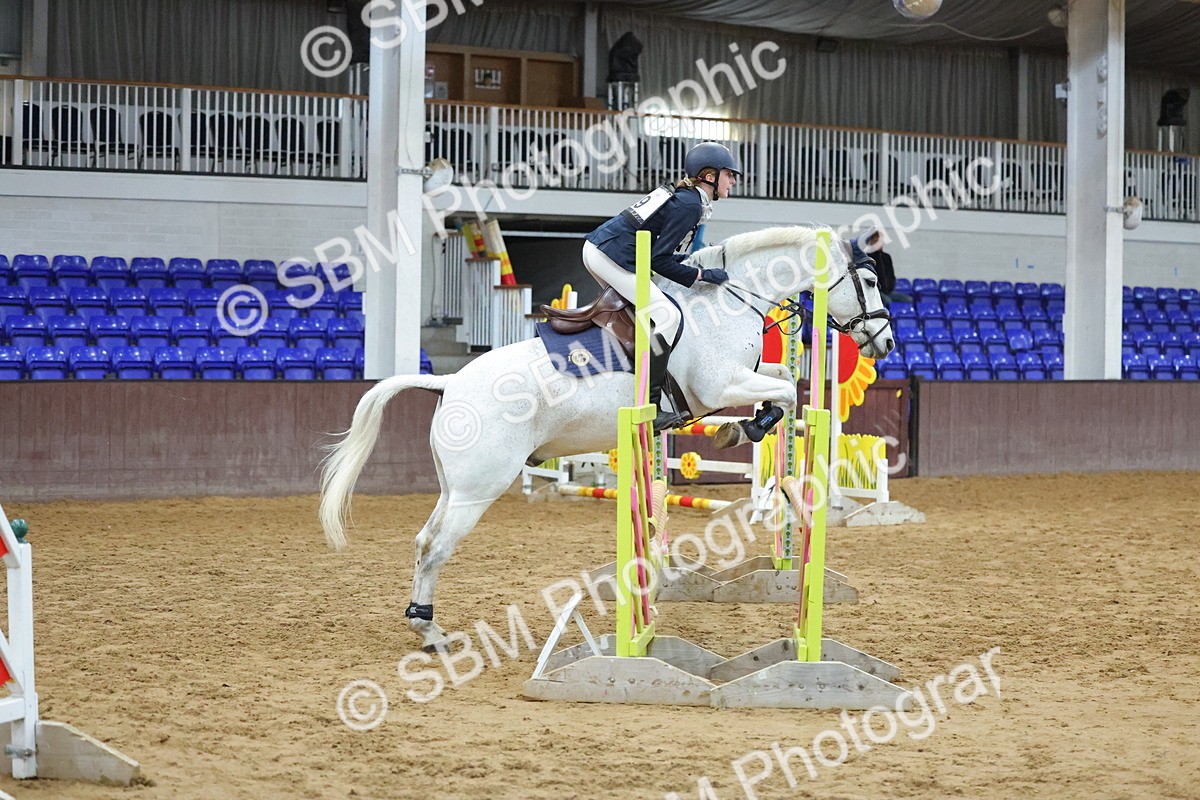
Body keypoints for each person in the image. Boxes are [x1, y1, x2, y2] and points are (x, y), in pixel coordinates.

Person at [583, 141, 740, 430]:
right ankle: (651, 405)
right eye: (729, 174)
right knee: (668, 316)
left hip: (605, 250)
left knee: (646, 313)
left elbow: (664, 255)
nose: (733, 180)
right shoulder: (690, 204)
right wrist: (701, 276)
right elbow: (659, 260)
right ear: (708, 175)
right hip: (611, 254)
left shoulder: (689, 199)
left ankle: (624, 379)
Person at [864, 230, 911, 306]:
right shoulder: (867, 258)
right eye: (876, 241)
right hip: (875, 292)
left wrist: (891, 285)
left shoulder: (887, 257)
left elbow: (891, 274)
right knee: (887, 301)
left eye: (881, 241)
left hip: (889, 291)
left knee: (908, 299)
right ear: (871, 242)